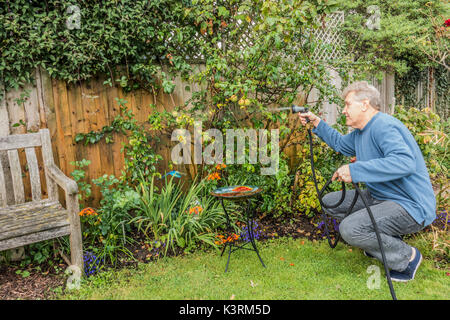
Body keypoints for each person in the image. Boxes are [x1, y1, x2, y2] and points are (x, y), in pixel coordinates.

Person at [298, 81, 436, 282]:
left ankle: (407, 259)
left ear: (364, 104)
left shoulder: (384, 126)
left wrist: (356, 170)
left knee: (350, 229)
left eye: (347, 105)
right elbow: (339, 143)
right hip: (381, 197)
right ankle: (381, 242)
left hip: (410, 205)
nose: (344, 110)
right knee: (330, 201)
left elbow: (405, 163)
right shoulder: (361, 132)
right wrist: (317, 122)